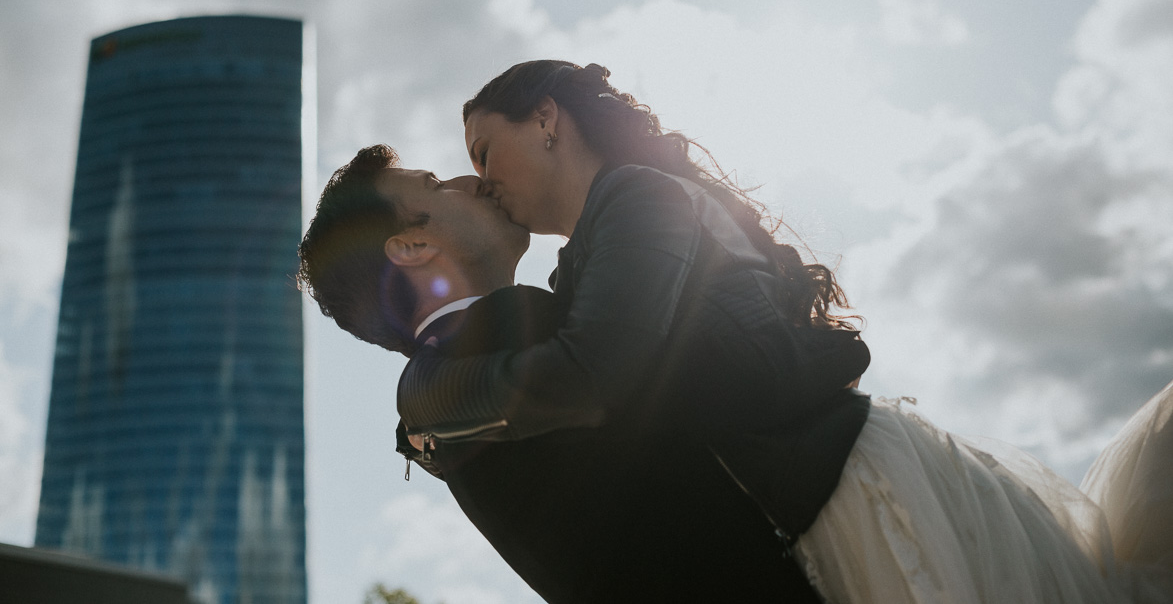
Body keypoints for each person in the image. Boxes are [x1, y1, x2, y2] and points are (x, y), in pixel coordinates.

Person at [397, 60, 1173, 603]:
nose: (480, 177)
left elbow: (598, 372)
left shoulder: (637, 197)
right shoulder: (588, 256)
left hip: (838, 489)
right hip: (801, 490)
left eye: (482, 150)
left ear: (544, 119)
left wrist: (433, 406)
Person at [296, 145, 830, 603]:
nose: (472, 181)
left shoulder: (450, 398)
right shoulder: (515, 332)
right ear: (413, 246)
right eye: (435, 184)